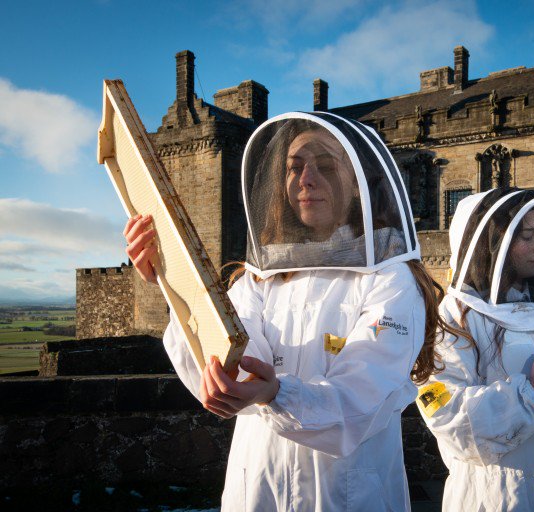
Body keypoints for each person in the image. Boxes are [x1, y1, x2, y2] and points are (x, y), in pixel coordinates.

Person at [124, 112, 458, 511]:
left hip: (346, 494)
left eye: (326, 165)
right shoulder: (260, 278)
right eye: (294, 167)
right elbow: (229, 356)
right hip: (259, 483)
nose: (307, 179)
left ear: (357, 184)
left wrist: (277, 393)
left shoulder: (389, 278)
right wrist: (172, 284)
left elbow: (362, 394)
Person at [417, 188, 534, 511]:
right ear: (493, 240)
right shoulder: (456, 316)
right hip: (499, 495)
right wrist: (529, 395)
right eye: (527, 235)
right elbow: (443, 412)